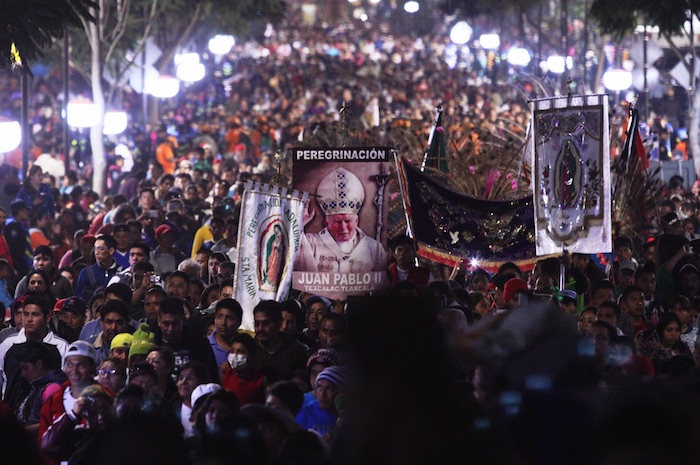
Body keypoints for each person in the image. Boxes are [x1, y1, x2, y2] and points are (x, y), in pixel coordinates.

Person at [295, 168, 386, 273]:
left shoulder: (374, 249)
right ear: (327, 222)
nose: (343, 227)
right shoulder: (311, 243)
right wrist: (298, 227)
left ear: (357, 220)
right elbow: (297, 263)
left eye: (348, 221)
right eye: (337, 222)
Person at [0, 292, 68, 412]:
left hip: (45, 413)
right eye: (26, 314)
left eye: (35, 315)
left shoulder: (61, 347)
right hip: (10, 413)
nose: (29, 319)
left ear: (47, 317)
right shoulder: (8, 344)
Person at [249, 300, 308, 383]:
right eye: (257, 323)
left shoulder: (296, 351)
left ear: (278, 324)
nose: (260, 328)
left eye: (266, 323)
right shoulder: (248, 349)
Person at [74, 234, 121, 302]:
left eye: (100, 249)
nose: (96, 252)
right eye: (95, 248)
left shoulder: (122, 273)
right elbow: (78, 298)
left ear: (111, 251)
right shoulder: (86, 273)